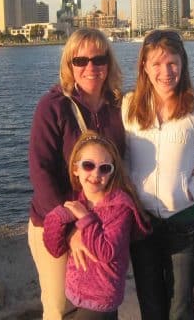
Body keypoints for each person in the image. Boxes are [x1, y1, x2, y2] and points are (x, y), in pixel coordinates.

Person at [122, 29, 194, 319]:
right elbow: (126, 158)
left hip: (183, 224)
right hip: (142, 225)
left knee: (180, 308)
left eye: (172, 63)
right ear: (144, 66)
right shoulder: (129, 106)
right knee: (151, 308)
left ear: (183, 63)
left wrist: (190, 191)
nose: (165, 72)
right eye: (156, 63)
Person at [28, 28, 125, 319]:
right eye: (80, 60)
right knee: (59, 307)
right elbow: (40, 170)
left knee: (100, 302)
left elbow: (134, 157)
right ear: (69, 65)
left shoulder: (119, 107)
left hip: (100, 224)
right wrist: (70, 230)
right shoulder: (54, 107)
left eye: (99, 59)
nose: (90, 67)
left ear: (109, 63)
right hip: (55, 222)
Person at [43, 131, 150, 320]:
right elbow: (54, 248)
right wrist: (60, 217)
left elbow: (107, 252)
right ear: (75, 168)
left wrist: (85, 219)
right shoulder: (77, 202)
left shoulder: (119, 208)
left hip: (101, 298)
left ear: (112, 172)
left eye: (104, 168)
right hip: (74, 294)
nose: (95, 174)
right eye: (88, 165)